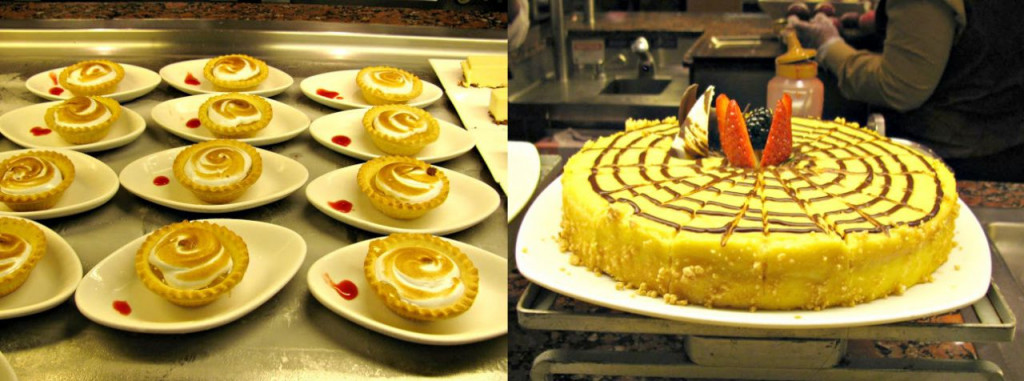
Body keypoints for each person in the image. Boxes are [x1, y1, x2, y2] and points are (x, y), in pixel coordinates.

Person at [788, 0, 1024, 182]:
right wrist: (884, 23)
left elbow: (898, 86)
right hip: (1005, 143)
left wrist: (828, 45)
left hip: (950, 161)